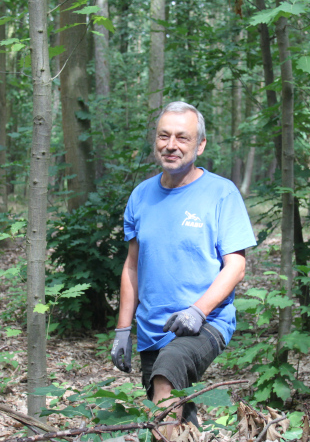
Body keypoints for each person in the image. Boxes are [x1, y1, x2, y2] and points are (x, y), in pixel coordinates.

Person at [110, 101, 257, 435]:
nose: (171, 145)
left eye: (182, 137)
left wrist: (197, 311)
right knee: (176, 410)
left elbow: (236, 266)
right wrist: (123, 330)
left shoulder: (221, 193)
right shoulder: (141, 196)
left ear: (200, 145)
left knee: (167, 377)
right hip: (153, 329)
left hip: (207, 321)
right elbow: (132, 267)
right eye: (164, 136)